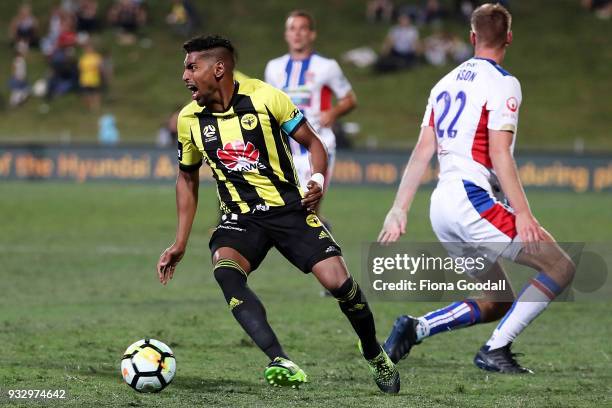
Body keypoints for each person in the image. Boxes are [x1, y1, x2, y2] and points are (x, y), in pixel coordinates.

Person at [156, 35, 399, 393]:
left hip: (289, 211)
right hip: (240, 219)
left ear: (218, 68)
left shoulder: (265, 97)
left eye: (192, 67)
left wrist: (315, 179)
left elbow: (315, 144)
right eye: (185, 68)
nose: (185, 76)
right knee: (226, 271)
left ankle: (373, 351)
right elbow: (186, 179)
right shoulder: (189, 119)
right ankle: (278, 359)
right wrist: (180, 242)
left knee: (340, 285)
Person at [378, 3, 575, 374]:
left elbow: (423, 151)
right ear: (510, 38)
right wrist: (524, 214)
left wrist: (399, 208)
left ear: (472, 37)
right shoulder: (503, 83)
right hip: (473, 201)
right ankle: (494, 350)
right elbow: (500, 153)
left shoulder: (443, 83)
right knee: (560, 267)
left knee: (497, 299)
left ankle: (416, 327)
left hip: (441, 208)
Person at [264, 10, 357, 218]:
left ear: (311, 34)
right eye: (292, 29)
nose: (297, 34)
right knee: (287, 211)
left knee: (309, 208)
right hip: (285, 150)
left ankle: (319, 237)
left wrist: (333, 112)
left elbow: (350, 99)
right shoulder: (274, 68)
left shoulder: (327, 67)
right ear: (286, 34)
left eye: (302, 28)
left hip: (318, 146)